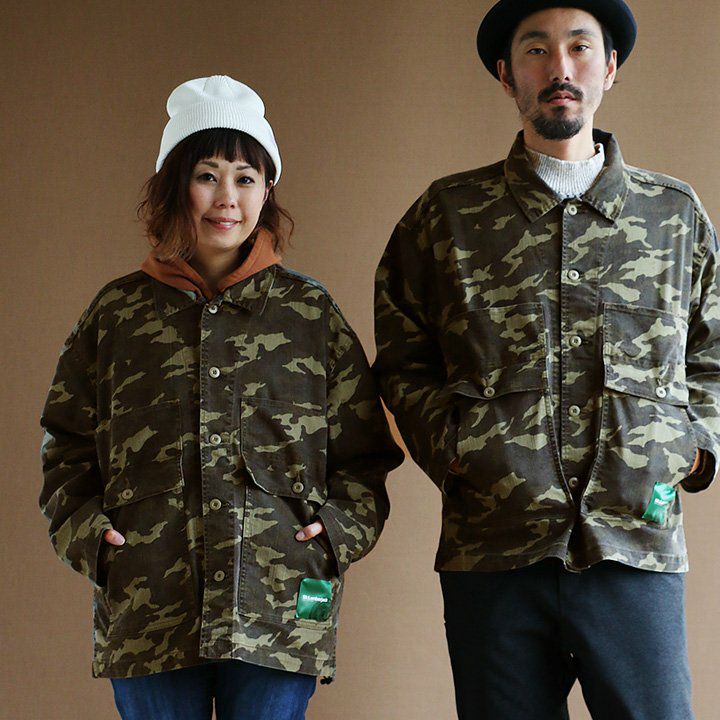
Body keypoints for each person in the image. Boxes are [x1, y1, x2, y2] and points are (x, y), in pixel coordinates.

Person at [373, 1, 719, 718]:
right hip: (493, 551)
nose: (560, 68)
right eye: (536, 50)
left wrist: (689, 449)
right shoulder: (449, 216)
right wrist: (458, 450)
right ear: (507, 75)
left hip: (635, 545)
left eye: (580, 48)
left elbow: (715, 354)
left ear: (610, 68)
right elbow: (403, 356)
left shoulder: (675, 216)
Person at [39, 74, 402, 720]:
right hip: (149, 606)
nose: (227, 198)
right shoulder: (117, 315)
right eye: (207, 176)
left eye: (246, 178)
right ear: (174, 185)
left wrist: (333, 536)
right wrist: (94, 542)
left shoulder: (309, 314)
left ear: (267, 191)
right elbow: (65, 446)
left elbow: (366, 454)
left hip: (282, 606)